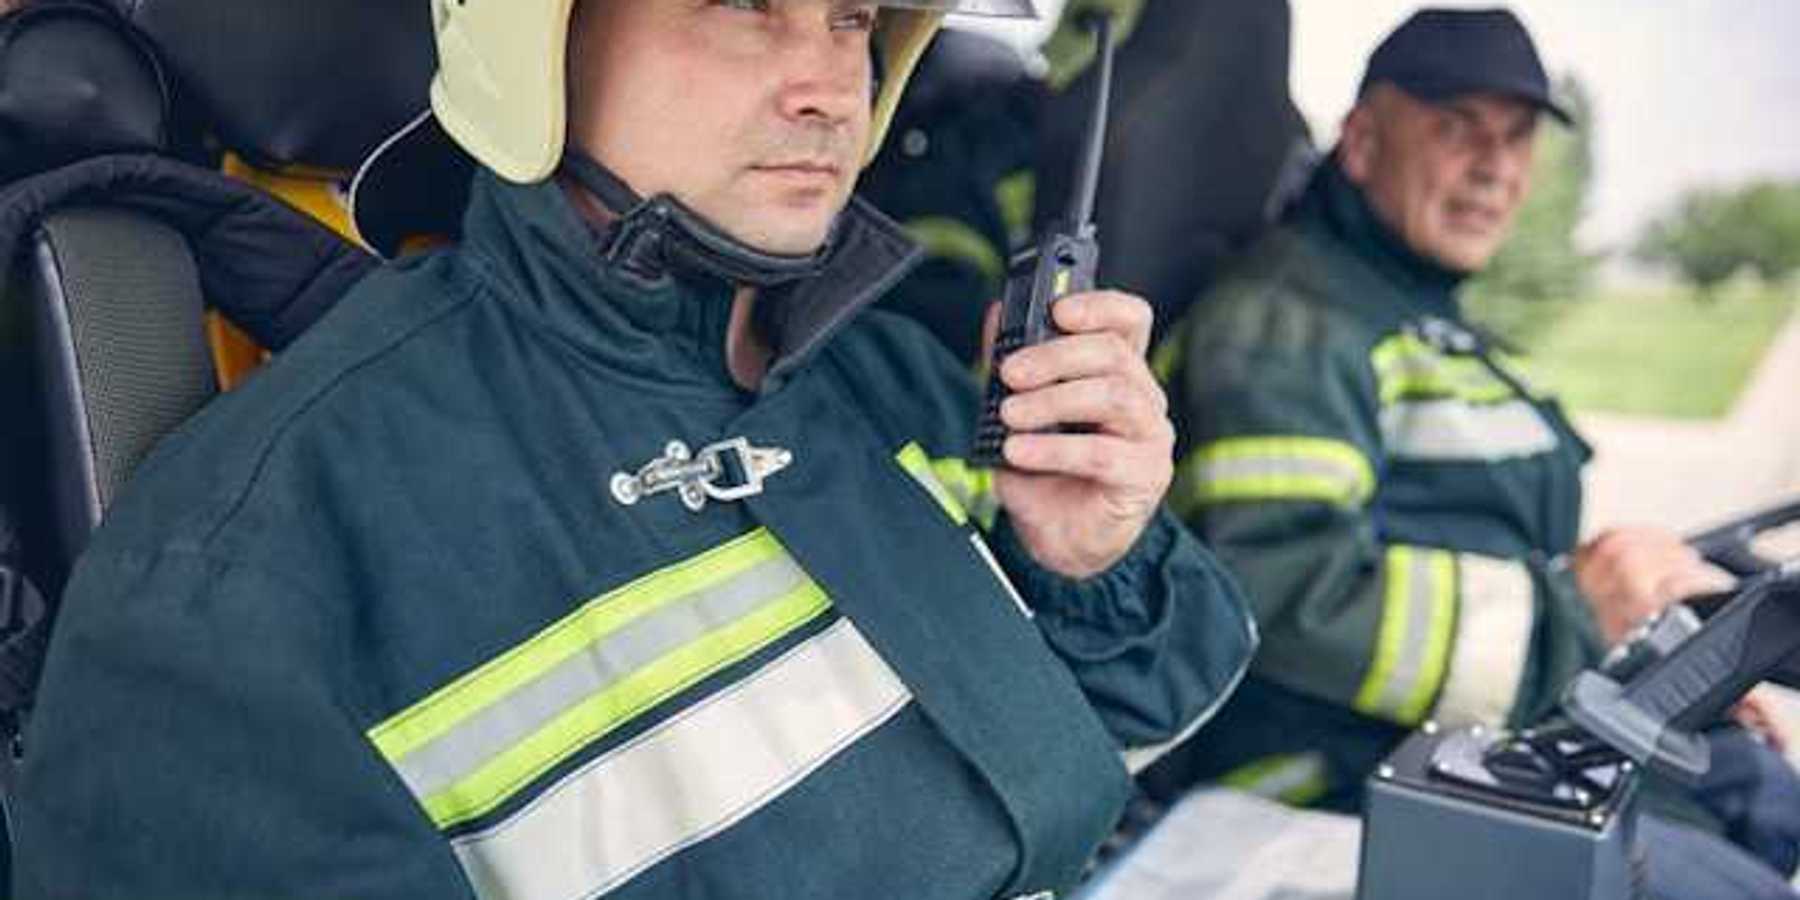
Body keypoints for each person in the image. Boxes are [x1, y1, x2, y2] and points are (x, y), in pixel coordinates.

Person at [11, 1, 1256, 897]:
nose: (831, 84)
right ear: (537, 46)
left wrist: (1087, 561)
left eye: (849, 18)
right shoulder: (228, 580)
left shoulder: (887, 379)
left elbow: (1097, 772)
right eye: (742, 6)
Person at [1143, 7, 1799, 894]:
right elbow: (1274, 592)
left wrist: (1672, 668)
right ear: (1365, 142)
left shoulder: (1415, 316)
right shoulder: (1289, 320)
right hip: (1331, 770)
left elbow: (1491, 548)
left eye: (1518, 137)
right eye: (1456, 130)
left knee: (1764, 791)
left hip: (1487, 725)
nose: (1496, 168)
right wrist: (1573, 612)